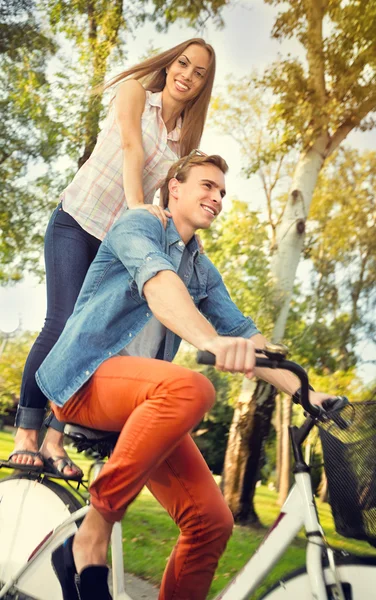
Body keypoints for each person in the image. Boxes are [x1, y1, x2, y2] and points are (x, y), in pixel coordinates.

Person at [35, 152, 338, 600]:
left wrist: (306, 393)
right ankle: (92, 532)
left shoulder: (201, 269)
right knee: (191, 387)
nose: (216, 197)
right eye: (207, 186)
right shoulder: (137, 226)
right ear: (174, 188)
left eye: (222, 192)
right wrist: (209, 342)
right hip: (81, 381)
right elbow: (158, 284)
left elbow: (246, 334)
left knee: (211, 523)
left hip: (141, 409)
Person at [10, 38, 216, 479]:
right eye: (184, 64)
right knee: (63, 323)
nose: (188, 75)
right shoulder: (136, 93)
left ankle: (54, 438)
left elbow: (174, 195)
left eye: (199, 73)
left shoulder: (187, 138)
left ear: (203, 85)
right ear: (171, 64)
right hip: (75, 221)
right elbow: (130, 147)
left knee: (96, 337)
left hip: (115, 247)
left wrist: (181, 243)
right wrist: (138, 203)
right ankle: (26, 432)